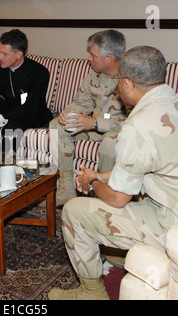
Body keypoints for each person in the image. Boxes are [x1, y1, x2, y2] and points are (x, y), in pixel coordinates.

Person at [49, 46, 178, 300]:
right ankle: (117, 252)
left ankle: (90, 294)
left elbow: (117, 198)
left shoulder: (137, 126)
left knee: (74, 212)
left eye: (118, 84)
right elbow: (154, 168)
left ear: (127, 84)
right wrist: (102, 176)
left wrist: (92, 181)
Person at [49, 29, 127, 206]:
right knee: (57, 125)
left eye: (93, 55)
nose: (89, 59)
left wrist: (95, 122)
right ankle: (66, 188)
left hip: (119, 133)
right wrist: (68, 112)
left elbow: (137, 123)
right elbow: (81, 102)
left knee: (110, 140)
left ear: (109, 58)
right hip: (95, 129)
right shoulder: (95, 73)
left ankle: (103, 197)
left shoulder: (131, 78)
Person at [0, 29, 53, 154]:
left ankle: (4, 164)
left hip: (33, 114)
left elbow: (30, 107)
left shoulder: (39, 72)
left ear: (19, 54)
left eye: (5, 54)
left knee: (12, 128)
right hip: (7, 110)